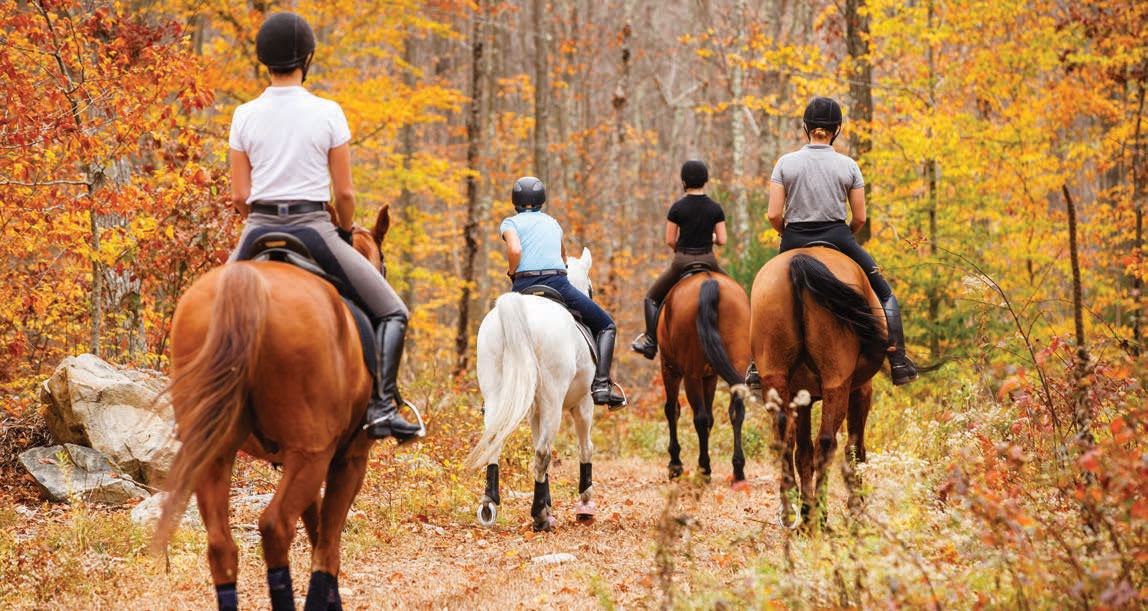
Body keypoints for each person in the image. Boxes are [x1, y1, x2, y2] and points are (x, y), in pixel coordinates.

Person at [226, 12, 422, 441]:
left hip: (256, 227)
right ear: (306, 59)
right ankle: (382, 406)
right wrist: (346, 231)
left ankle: (191, 410)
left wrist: (255, 222)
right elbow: (346, 195)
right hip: (314, 227)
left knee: (213, 309)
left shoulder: (243, 115)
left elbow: (240, 197)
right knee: (392, 311)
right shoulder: (327, 112)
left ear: (264, 60)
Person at [747, 96, 917, 388]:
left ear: (805, 127)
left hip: (794, 237)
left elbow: (774, 213)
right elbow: (860, 217)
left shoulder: (785, 163)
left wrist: (784, 231)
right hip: (839, 237)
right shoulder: (848, 165)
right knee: (885, 292)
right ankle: (898, 360)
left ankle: (755, 365)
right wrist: (846, 233)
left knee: (763, 292)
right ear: (837, 128)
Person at [500, 176, 626, 409]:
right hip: (557, 284)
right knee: (607, 325)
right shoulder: (552, 223)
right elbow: (564, 258)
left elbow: (515, 248)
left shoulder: (510, 223)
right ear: (542, 200)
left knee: (501, 329)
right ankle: (601, 385)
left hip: (522, 288)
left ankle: (496, 395)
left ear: (514, 201)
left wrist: (512, 270)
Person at [631, 160, 728, 359]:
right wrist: (711, 238)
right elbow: (723, 240)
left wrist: (683, 247)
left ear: (684, 182)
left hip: (682, 261)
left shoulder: (677, 208)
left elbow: (669, 240)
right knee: (739, 294)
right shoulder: (715, 207)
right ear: (705, 181)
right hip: (709, 260)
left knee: (651, 297)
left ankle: (650, 342)